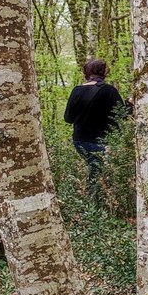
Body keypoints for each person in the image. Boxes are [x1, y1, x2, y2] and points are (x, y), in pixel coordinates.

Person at [64, 59, 125, 202]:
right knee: (99, 173)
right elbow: (122, 114)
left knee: (95, 169)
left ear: (86, 73)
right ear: (103, 72)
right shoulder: (109, 90)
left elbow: (68, 118)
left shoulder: (76, 90)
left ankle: (95, 203)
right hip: (102, 142)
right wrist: (130, 103)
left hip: (79, 141)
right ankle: (95, 204)